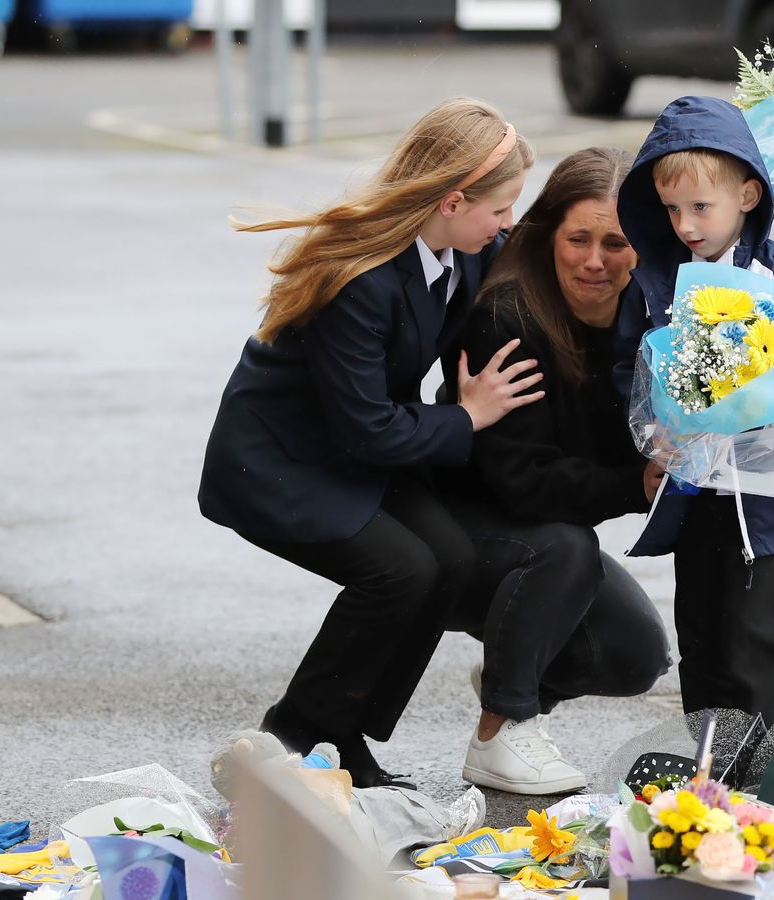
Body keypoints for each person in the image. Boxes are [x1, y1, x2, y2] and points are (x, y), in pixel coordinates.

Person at [197, 99, 541, 789]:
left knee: (447, 559)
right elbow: (368, 428)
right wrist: (468, 417)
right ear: (450, 201)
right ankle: (291, 738)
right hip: (279, 461)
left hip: (352, 447)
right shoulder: (360, 282)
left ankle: (338, 738)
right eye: (501, 209)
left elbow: (539, 255)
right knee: (399, 571)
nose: (508, 225)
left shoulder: (462, 249)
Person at [440, 147, 673, 794]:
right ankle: (501, 730)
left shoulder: (652, 318)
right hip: (460, 527)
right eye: (577, 239)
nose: (594, 260)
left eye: (616, 242)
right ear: (549, 236)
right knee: (567, 549)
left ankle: (511, 678)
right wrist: (636, 482)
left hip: (542, 531)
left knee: (637, 655)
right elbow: (521, 482)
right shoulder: (505, 321)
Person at [613, 96, 774, 729]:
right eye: (672, 209)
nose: (686, 224)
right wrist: (651, 437)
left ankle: (752, 779)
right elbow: (625, 368)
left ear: (747, 195)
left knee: (755, 641)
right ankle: (707, 776)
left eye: (700, 207)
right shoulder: (656, 280)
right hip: (693, 489)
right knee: (702, 636)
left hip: (766, 495)